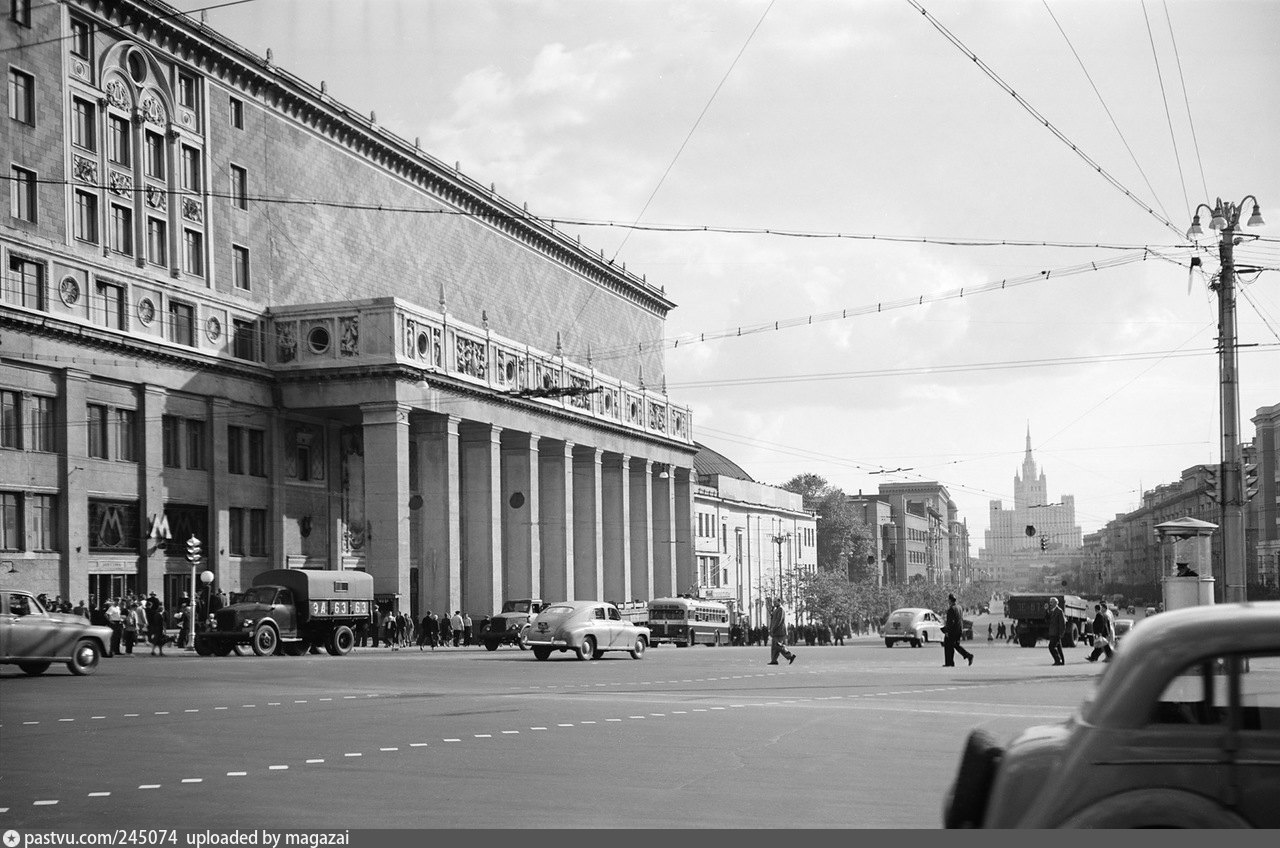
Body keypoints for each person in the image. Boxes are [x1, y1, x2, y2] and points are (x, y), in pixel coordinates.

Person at [942, 594, 974, 667]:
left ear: (950, 600)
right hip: (959, 630)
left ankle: (949, 662)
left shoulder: (951, 609)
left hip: (952, 631)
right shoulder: (959, 607)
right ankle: (967, 656)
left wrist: (947, 631)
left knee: (948, 645)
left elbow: (951, 622)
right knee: (955, 645)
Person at [767, 599, 796, 665]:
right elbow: (773, 619)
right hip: (776, 631)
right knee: (774, 646)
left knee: (778, 645)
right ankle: (774, 660)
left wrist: (773, 628)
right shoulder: (776, 610)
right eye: (773, 602)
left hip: (779, 631)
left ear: (779, 602)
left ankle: (790, 656)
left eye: (775, 602)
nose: (774, 603)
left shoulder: (781, 609)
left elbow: (778, 621)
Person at [1046, 597, 1066, 666]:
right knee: (1059, 648)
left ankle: (1058, 660)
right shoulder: (1052, 611)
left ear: (1055, 603)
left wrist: (1061, 633)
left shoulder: (1059, 611)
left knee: (1051, 647)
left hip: (1056, 633)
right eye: (1050, 602)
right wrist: (1046, 611)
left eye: (1051, 602)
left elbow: (1062, 623)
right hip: (1052, 632)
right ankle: (1062, 661)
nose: (1050, 604)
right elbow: (1047, 620)